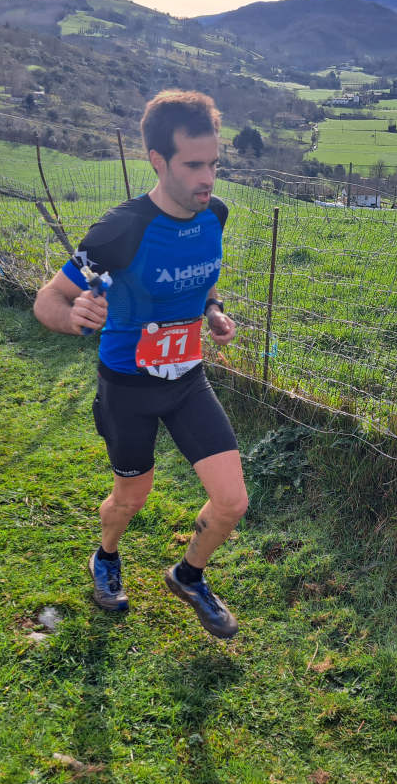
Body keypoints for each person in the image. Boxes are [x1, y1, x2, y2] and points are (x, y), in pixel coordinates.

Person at [33, 90, 247, 639]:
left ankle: (187, 574)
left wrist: (213, 310)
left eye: (214, 164)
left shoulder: (214, 215)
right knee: (131, 497)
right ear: (158, 160)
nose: (208, 179)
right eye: (194, 165)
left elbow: (203, 274)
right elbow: (48, 300)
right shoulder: (121, 229)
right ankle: (106, 555)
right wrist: (76, 313)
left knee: (232, 501)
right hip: (128, 386)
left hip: (188, 381)